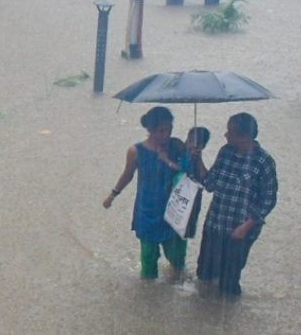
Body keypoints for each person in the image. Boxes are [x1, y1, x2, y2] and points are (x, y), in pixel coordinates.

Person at [193, 112, 278, 298]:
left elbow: (269, 200)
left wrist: (246, 227)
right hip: (215, 224)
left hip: (240, 232)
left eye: (230, 132)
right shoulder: (225, 152)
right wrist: (198, 159)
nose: (225, 135)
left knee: (228, 283)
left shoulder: (264, 162)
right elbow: (210, 184)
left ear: (244, 137)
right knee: (204, 275)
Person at [103, 106, 188, 281]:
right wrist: (113, 195)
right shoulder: (136, 151)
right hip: (147, 210)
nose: (166, 134)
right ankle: (149, 298)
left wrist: (188, 154)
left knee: (177, 257)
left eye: (169, 129)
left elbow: (188, 171)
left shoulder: (177, 146)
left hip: (173, 210)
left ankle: (177, 281)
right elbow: (127, 175)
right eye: (161, 130)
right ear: (150, 130)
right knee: (148, 259)